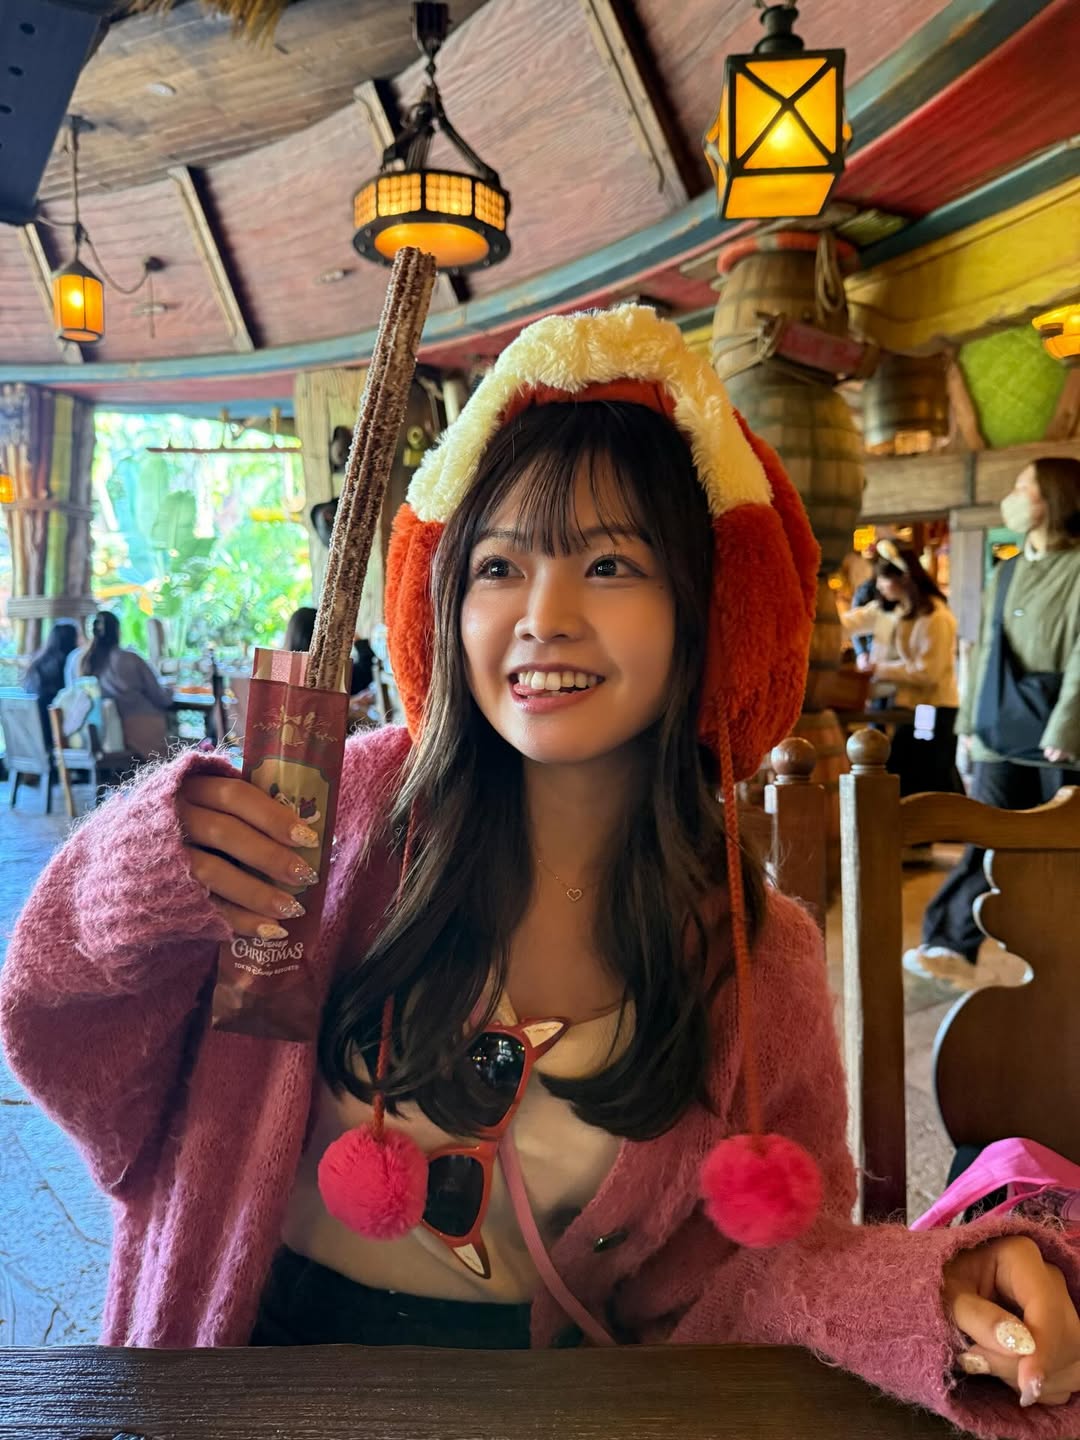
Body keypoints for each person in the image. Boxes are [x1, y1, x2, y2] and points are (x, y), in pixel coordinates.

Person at [3, 308, 1080, 1431]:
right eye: (499, 566)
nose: (543, 617)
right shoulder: (328, 818)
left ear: (706, 611)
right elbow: (66, 1036)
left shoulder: (753, 954)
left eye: (609, 563)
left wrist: (932, 1295)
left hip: (539, 1403)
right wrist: (145, 869)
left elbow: (749, 1271)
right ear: (446, 602)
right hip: (231, 1378)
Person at [906, 457, 1080, 987]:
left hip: (1059, 739)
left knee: (1063, 849)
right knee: (984, 837)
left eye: (1025, 487)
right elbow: (984, 654)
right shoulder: (1005, 571)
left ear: (1055, 498)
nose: (1014, 496)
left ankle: (1059, 963)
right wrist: (969, 730)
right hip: (999, 733)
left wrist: (1066, 728)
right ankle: (948, 944)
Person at [842, 540, 962, 799]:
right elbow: (849, 623)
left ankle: (937, 821)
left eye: (884, 579)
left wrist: (878, 668)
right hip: (903, 707)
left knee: (927, 770)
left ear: (904, 579)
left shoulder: (935, 617)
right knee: (905, 769)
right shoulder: (891, 610)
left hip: (931, 707)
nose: (878, 585)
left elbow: (927, 674)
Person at [77, 610, 173, 761]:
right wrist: (171, 690)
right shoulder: (129, 658)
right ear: (117, 631)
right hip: (140, 726)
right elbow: (160, 697)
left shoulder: (82, 661)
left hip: (103, 733)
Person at [21, 621, 80, 746]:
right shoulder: (70, 664)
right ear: (72, 640)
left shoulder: (37, 664)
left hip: (33, 738)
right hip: (56, 737)